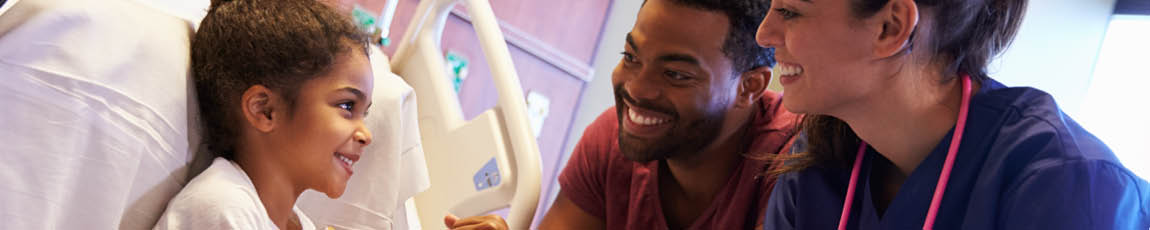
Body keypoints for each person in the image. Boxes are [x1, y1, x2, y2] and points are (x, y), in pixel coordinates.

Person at [756, 0, 1150, 229]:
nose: (764, 33)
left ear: (890, 27)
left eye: (790, 11)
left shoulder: (1072, 186)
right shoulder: (815, 164)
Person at [154, 0, 374, 229]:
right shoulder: (224, 207)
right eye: (348, 106)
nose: (366, 134)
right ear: (265, 111)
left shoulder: (302, 224)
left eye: (364, 112)